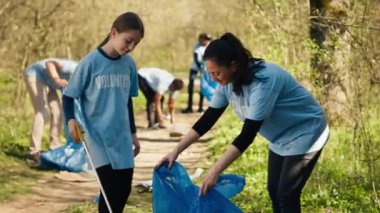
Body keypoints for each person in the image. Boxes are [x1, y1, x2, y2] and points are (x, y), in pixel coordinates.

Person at [158, 32, 329, 213]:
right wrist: (175, 151)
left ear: (233, 66)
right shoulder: (227, 83)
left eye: (216, 73)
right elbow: (207, 120)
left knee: (286, 194)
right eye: (210, 74)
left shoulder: (264, 81)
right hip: (280, 137)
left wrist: (215, 171)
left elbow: (247, 136)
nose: (214, 78)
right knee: (274, 191)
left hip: (306, 130)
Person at [62, 12, 144, 213]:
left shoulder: (129, 65)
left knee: (123, 189)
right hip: (96, 137)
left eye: (136, 43)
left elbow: (128, 102)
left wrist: (133, 134)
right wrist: (71, 121)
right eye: (128, 40)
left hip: (122, 138)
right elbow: (68, 96)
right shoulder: (90, 63)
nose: (131, 47)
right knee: (109, 191)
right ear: (113, 33)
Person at [24, 58, 78, 164]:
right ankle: (34, 153)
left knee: (58, 113)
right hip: (35, 75)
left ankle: (54, 148)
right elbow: (50, 63)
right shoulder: (74, 68)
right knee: (43, 112)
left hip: (49, 82)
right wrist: (57, 79)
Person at [182, 33, 212, 113]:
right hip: (195, 67)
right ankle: (189, 107)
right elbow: (196, 58)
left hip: (205, 68)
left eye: (207, 40)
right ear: (200, 39)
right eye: (204, 40)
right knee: (191, 86)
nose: (206, 42)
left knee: (203, 86)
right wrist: (200, 67)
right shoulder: (197, 45)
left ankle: (201, 107)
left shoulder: (209, 46)